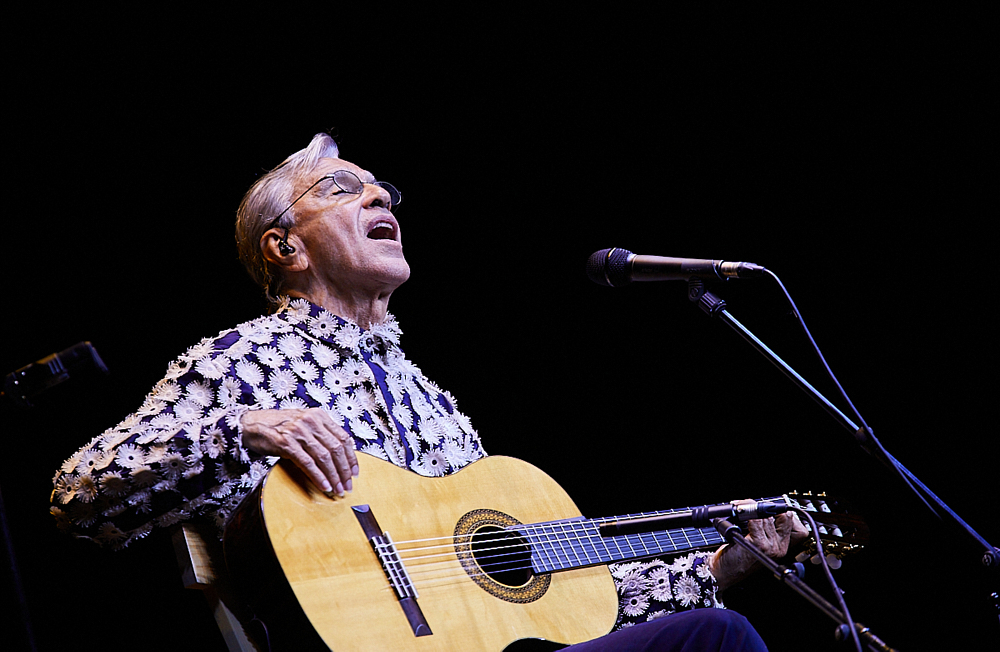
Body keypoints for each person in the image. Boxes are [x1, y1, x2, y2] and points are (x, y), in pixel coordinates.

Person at [51, 133, 806, 651]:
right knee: (722, 641)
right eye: (345, 189)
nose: (382, 201)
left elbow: (558, 603)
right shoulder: (243, 362)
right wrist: (243, 427)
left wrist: (716, 568)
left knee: (714, 625)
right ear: (285, 245)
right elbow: (80, 493)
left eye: (386, 193)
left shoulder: (435, 406)